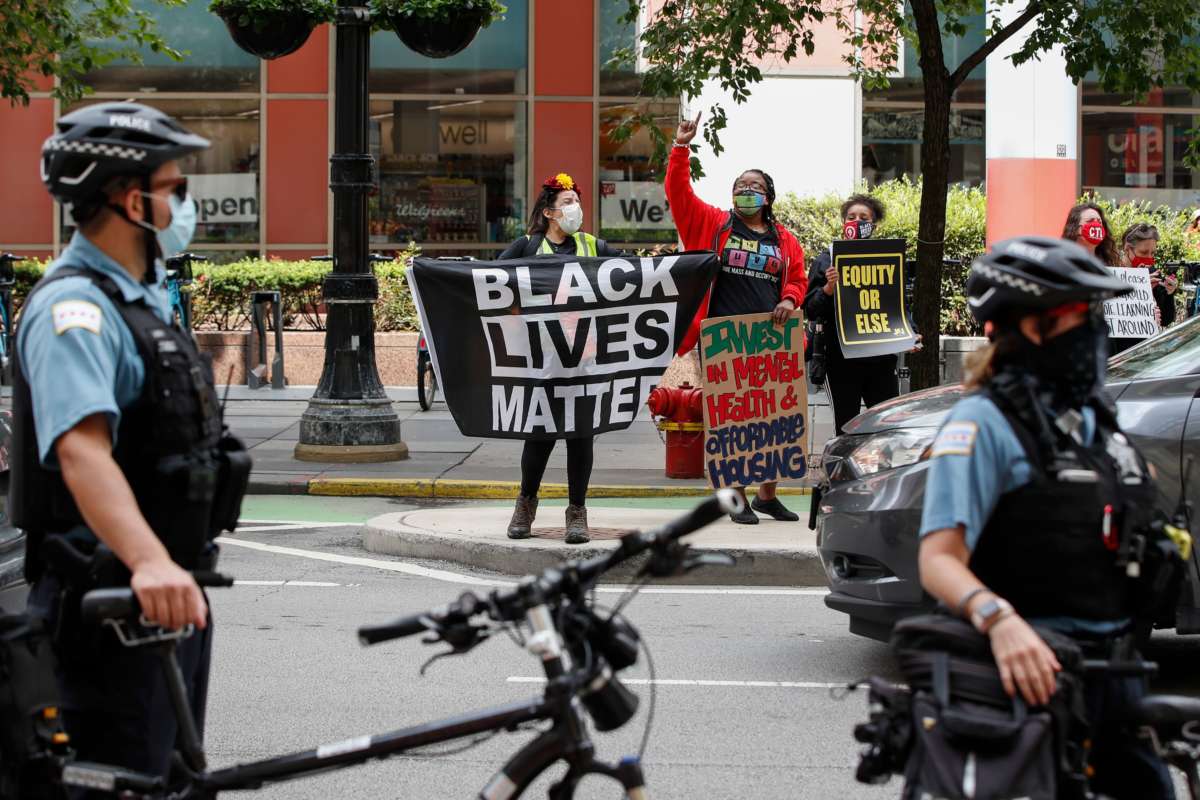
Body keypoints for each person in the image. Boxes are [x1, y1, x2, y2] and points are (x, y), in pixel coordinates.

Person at [13, 102, 245, 790]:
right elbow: (82, 450)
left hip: (159, 603)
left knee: (169, 781)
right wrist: (148, 562)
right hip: (107, 607)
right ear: (127, 197)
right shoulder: (73, 312)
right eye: (175, 187)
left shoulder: (134, 303)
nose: (185, 202)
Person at [917, 235, 1174, 800]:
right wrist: (1000, 621)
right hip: (1027, 674)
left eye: (1094, 315)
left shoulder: (1095, 420)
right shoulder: (982, 423)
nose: (1092, 332)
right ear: (1026, 328)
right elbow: (938, 559)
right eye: (1075, 317)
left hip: (1114, 678)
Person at [668, 112, 808, 525]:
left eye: (755, 187)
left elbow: (797, 279)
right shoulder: (712, 225)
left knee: (773, 418)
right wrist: (681, 148)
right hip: (724, 340)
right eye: (740, 186)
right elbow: (678, 194)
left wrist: (788, 298)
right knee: (733, 420)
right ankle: (737, 498)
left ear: (768, 197)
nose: (747, 191)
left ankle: (768, 496)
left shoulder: (785, 240)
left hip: (771, 338)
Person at [500, 173, 621, 545]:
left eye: (576, 201)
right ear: (550, 212)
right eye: (568, 202)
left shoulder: (592, 245)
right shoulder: (526, 247)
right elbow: (488, 279)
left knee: (581, 437)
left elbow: (634, 273)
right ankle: (525, 506)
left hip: (585, 360)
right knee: (540, 435)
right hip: (543, 360)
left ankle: (577, 514)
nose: (575, 209)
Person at [803, 194, 903, 434]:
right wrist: (828, 289)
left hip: (880, 359)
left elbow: (897, 306)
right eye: (851, 217)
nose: (857, 221)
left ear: (873, 225)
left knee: (884, 428)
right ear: (843, 224)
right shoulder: (827, 260)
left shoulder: (887, 258)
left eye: (863, 218)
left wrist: (910, 334)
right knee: (846, 427)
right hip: (841, 361)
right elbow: (810, 309)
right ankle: (843, 471)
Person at [1120, 222, 1176, 331]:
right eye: (1144, 252)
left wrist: (1169, 294)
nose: (1149, 258)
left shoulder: (1152, 272)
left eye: (1152, 253)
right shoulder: (1112, 273)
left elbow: (1166, 320)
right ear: (1127, 249)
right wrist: (1139, 287)